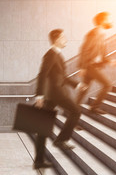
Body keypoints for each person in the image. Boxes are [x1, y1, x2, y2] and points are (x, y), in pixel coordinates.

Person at [33, 29, 85, 169]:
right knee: (76, 111)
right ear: (56, 39)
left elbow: (62, 76)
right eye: (63, 37)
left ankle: (39, 161)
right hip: (56, 94)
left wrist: (77, 84)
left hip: (54, 95)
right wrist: (39, 95)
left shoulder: (57, 55)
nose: (66, 39)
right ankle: (61, 140)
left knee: (43, 127)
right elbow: (42, 75)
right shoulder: (50, 55)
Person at [76, 12, 116, 114]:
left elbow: (101, 55)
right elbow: (84, 50)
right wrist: (82, 67)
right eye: (109, 19)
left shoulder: (102, 35)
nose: (111, 21)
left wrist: (110, 61)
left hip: (95, 66)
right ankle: (94, 107)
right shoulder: (93, 34)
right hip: (90, 66)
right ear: (103, 20)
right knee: (107, 85)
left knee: (83, 91)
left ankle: (72, 111)